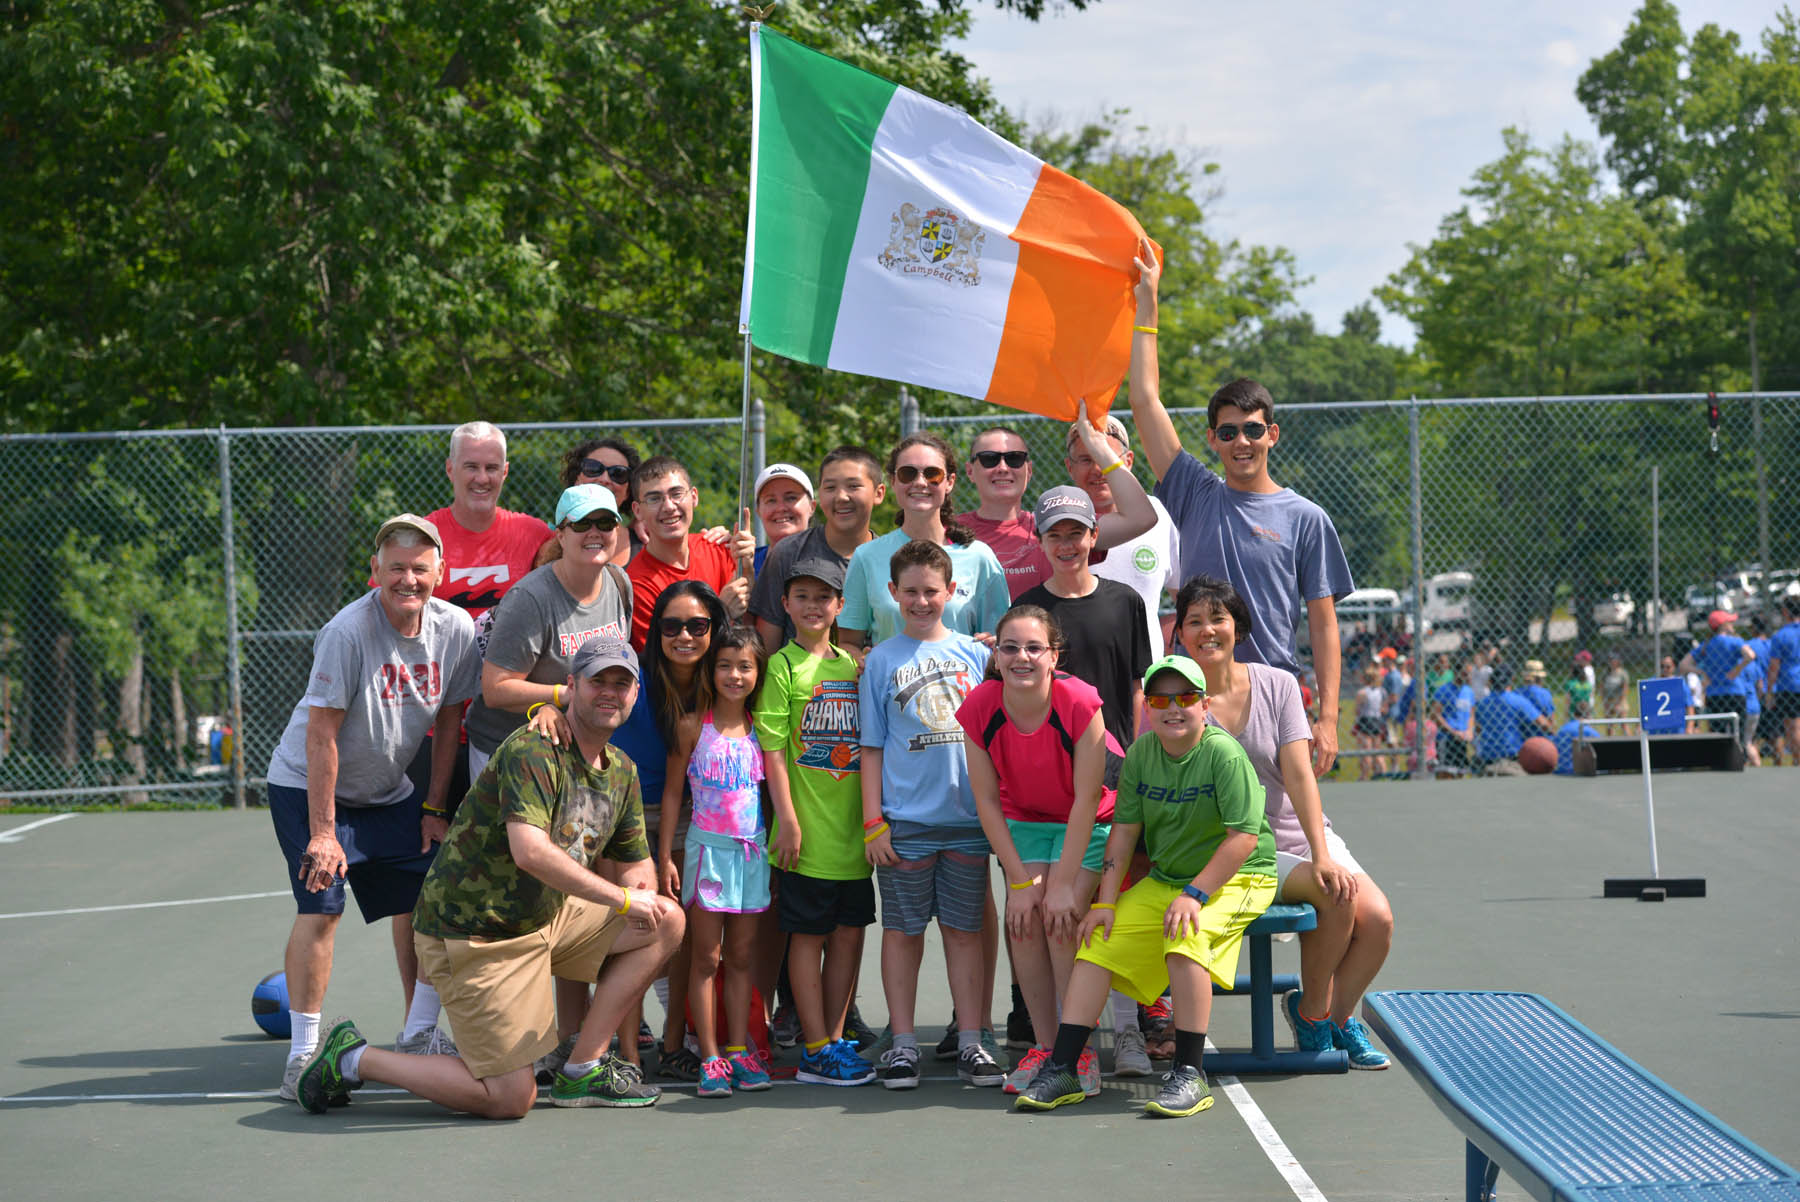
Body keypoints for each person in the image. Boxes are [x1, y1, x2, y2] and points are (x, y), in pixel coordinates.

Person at [291, 638, 685, 1116]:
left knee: (665, 919)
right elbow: (530, 853)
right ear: (570, 686)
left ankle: (583, 1069)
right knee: (510, 1098)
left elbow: (635, 859)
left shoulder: (621, 770)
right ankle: (354, 1058)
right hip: (475, 935)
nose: (609, 692)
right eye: (597, 681)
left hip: (542, 920)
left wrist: (640, 888)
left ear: (634, 694)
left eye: (621, 683)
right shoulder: (535, 750)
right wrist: (622, 901)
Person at [266, 514, 482, 1101]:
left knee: (438, 893)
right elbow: (321, 738)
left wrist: (436, 806)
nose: (408, 580)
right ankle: (303, 1055)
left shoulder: (456, 629)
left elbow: (449, 720)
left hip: (388, 791)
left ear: (440, 571)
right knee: (323, 903)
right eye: (396, 569)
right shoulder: (347, 632)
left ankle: (417, 1034)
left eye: (419, 568)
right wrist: (324, 833)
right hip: (309, 786)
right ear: (375, 573)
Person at [1013, 654, 1277, 1118]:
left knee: (1184, 938)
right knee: (1096, 940)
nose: (1173, 707)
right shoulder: (1140, 755)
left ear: (1205, 704)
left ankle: (1190, 1074)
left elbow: (1243, 839)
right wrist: (1107, 902)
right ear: (1146, 706)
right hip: (1169, 879)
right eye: (1160, 698)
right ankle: (1064, 1067)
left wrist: (1194, 895)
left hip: (1241, 876)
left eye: (1186, 697)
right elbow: (1125, 831)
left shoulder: (1223, 754)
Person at [1126, 237, 1352, 777]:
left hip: (1272, 700)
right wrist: (1148, 303)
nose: (1241, 441)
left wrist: (1327, 717)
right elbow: (1144, 400)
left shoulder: (1306, 518)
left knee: (1285, 835)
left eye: (1253, 429)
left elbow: (1324, 626)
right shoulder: (1193, 492)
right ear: (1213, 439)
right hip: (1194, 700)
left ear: (1272, 433)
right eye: (1229, 431)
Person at [1177, 576, 1392, 1069]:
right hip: (1234, 846)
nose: (1207, 630)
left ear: (1239, 628)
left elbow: (1299, 774)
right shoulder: (1176, 696)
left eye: (1218, 619)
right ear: (1181, 635)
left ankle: (1322, 1015)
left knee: (1377, 920)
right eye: (1194, 622)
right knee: (1337, 893)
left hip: (1297, 831)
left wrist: (1321, 852)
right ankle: (1318, 1022)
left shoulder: (1276, 684)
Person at [961, 605, 1125, 1093]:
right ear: (995, 656)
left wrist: (1059, 886)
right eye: (1010, 647)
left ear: (1054, 656)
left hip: (1088, 821)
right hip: (1025, 825)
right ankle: (1049, 1049)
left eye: (1034, 648)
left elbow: (1088, 797)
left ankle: (1081, 1053)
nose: (1021, 657)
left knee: (1060, 919)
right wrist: (1018, 884)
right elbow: (987, 802)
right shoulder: (980, 706)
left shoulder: (1078, 702)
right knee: (1023, 921)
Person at [859, 540, 1001, 1089]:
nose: (921, 601)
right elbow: (872, 747)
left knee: (965, 931)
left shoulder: (976, 655)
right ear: (892, 594)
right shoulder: (880, 661)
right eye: (910, 592)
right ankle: (901, 1044)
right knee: (902, 932)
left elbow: (993, 740)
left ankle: (971, 1039)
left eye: (931, 591)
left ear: (952, 592)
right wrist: (874, 820)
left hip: (967, 821)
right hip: (906, 826)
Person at [755, 556, 878, 1086]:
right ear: (786, 604)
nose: (813, 606)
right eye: (801, 596)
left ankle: (833, 1037)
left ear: (840, 606)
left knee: (850, 935)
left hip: (855, 833)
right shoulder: (781, 666)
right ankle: (814, 1044)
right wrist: (787, 818)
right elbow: (775, 751)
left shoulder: (852, 666)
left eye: (823, 597)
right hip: (806, 832)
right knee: (808, 937)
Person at [397, 422, 553, 837]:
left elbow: (589, 558)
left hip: (507, 727)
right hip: (430, 726)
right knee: (423, 862)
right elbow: (383, 616)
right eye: (471, 467)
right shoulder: (421, 538)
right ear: (450, 469)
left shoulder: (535, 535)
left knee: (507, 858)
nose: (481, 478)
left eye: (491, 467)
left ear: (505, 471)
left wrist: (635, 533)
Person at [658, 625, 774, 1098]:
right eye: (724, 665)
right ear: (711, 670)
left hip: (752, 856)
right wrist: (665, 854)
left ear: (757, 673)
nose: (734, 674)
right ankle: (708, 1056)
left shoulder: (761, 728)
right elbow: (671, 795)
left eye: (745, 666)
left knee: (742, 957)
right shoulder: (691, 726)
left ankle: (737, 1049)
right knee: (705, 958)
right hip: (707, 855)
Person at [464, 486, 632, 781]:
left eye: (605, 523)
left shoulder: (619, 583)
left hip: (579, 748)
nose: (595, 532)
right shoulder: (530, 599)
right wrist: (559, 697)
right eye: (581, 524)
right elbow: (495, 688)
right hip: (512, 752)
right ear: (561, 534)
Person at [1015, 482, 1153, 756]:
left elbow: (1137, 688)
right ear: (1039, 540)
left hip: (1115, 755)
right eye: (1054, 535)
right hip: (1050, 756)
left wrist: (1134, 753)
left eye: (1076, 533)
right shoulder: (1025, 610)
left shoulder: (1125, 602)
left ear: (1094, 536)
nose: (1066, 546)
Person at [839, 432, 1009, 652]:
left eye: (932, 474)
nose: (920, 482)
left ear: (950, 482)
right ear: (893, 481)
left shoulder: (980, 558)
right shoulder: (866, 557)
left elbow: (1002, 640)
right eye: (908, 474)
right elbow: (848, 643)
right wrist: (863, 663)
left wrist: (993, 645)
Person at [1067, 414, 1182, 660]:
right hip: (1074, 678)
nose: (1098, 469)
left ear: (1128, 461)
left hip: (1145, 680)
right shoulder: (1059, 523)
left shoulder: (1161, 516)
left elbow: (1186, 599)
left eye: (1106, 458)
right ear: (1070, 467)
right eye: (1086, 459)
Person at [749, 446, 886, 650]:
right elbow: (766, 649)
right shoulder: (788, 553)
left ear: (879, 493)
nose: (841, 497)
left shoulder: (893, 560)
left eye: (853, 486)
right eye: (830, 488)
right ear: (819, 495)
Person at [624, 455, 754, 648]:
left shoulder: (718, 547)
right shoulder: (637, 583)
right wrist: (721, 611)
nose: (668, 506)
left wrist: (747, 567)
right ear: (638, 511)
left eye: (676, 494)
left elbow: (749, 621)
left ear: (694, 497)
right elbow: (668, 662)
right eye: (654, 498)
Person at [558, 436, 641, 565]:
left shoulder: (648, 542)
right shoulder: (545, 546)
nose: (605, 479)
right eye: (593, 469)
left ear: (628, 491)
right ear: (576, 480)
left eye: (618, 473)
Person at [1691, 610, 1755, 743]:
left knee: (1717, 736)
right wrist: (1736, 670)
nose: (1732, 624)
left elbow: (1683, 664)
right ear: (1723, 625)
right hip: (1735, 693)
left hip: (1714, 695)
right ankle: (1738, 760)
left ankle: (1719, 762)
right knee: (1738, 735)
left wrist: (1703, 673)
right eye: (1729, 622)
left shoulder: (1706, 645)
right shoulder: (1735, 641)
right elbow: (1750, 655)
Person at [1471, 664, 1547, 773]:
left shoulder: (1482, 704)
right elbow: (1543, 724)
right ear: (1511, 680)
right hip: (1513, 758)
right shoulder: (1518, 701)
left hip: (1487, 758)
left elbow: (1477, 730)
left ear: (1491, 681)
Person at [751, 462, 816, 576]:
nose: (780, 508)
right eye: (771, 500)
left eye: (791, 498)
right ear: (758, 511)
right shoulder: (743, 565)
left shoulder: (834, 562)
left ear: (812, 507)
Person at [1765, 596, 1800, 766]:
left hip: (1790, 685)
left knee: (1792, 727)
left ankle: (1797, 760)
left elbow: (1774, 667)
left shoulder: (1780, 636)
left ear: (1785, 612)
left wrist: (1770, 691)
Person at [1432, 661, 1476, 775]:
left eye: (1470, 674)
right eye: (1465, 674)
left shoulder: (1469, 691)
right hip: (1447, 738)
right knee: (1446, 773)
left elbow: (1471, 714)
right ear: (1457, 673)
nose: (1469, 677)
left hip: (1463, 738)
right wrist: (1453, 732)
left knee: (1462, 772)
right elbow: (1436, 715)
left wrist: (1469, 730)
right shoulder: (1443, 690)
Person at [1351, 665, 1388, 780]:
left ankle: (1364, 775)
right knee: (1377, 749)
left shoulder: (1362, 692)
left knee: (1366, 749)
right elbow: (1384, 709)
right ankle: (1383, 771)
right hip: (1377, 720)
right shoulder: (1381, 691)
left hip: (1365, 720)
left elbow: (1357, 710)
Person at [1600, 652, 1630, 719]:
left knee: (1623, 724)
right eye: (1609, 660)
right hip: (1608, 701)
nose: (1611, 662)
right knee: (1609, 725)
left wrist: (1619, 702)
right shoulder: (1606, 673)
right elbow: (1601, 688)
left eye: (1613, 660)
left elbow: (1625, 689)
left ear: (1618, 661)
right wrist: (1604, 701)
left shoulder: (1622, 673)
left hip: (1620, 701)